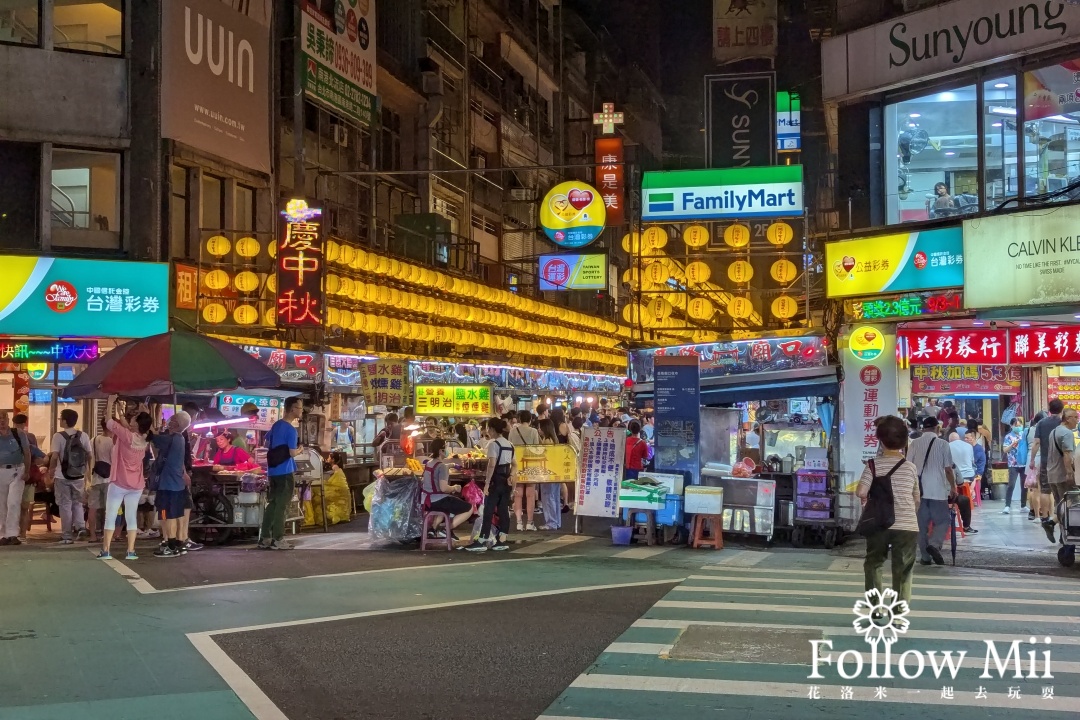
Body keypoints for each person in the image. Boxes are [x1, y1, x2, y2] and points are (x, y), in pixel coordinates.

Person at [858, 416, 920, 604]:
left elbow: (861, 491)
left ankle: (876, 606)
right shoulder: (910, 468)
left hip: (878, 523)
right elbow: (916, 498)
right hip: (907, 525)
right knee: (903, 568)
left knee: (874, 562)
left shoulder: (873, 465)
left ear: (880, 440)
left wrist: (867, 498)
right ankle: (899, 608)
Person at [98, 397, 153, 560]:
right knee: (130, 516)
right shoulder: (145, 438)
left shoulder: (126, 436)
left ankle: (106, 550)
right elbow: (134, 424)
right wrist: (145, 411)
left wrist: (109, 402)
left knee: (111, 514)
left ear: (136, 424)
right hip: (136, 484)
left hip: (119, 482)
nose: (132, 419)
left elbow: (108, 421)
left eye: (134, 418)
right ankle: (130, 551)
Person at [259, 397, 304, 550]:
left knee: (272, 504)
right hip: (285, 471)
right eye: (299, 408)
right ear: (292, 409)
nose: (301, 410)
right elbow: (292, 453)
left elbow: (266, 443)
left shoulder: (276, 425)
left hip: (272, 471)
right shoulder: (291, 430)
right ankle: (278, 539)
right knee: (282, 505)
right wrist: (300, 450)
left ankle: (265, 538)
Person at [910, 417, 956, 566]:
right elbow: (948, 469)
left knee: (921, 526)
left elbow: (908, 467)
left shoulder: (914, 443)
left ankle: (925, 557)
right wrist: (953, 487)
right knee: (943, 520)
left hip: (918, 492)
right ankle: (934, 544)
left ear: (923, 429)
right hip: (937, 491)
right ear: (937, 428)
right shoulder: (943, 444)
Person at [465, 418, 515, 552]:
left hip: (495, 481)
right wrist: (511, 475)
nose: (487, 431)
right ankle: (502, 540)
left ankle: (482, 540)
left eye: (488, 428)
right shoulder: (510, 444)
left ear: (492, 429)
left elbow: (492, 464)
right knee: (503, 511)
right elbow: (514, 464)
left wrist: (487, 483)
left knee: (488, 510)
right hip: (506, 482)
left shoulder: (494, 445)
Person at [151, 411, 191, 557]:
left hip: (169, 487)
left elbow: (153, 438)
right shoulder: (178, 439)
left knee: (169, 515)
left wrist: (146, 418)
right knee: (165, 514)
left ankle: (172, 545)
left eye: (172, 419)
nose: (169, 421)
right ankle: (174, 542)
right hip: (171, 486)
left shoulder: (173, 439)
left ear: (177, 424)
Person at [49, 409, 92, 544]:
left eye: (61, 418)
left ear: (65, 421)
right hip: (78, 475)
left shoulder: (58, 436)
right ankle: (80, 528)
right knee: (77, 503)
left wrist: (51, 470)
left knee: (65, 505)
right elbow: (89, 455)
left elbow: (55, 456)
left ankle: (67, 535)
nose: (60, 420)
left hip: (62, 476)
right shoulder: (83, 435)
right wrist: (87, 471)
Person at [419, 438, 472, 539]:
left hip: (426, 500)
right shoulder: (442, 466)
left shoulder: (429, 463)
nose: (447, 450)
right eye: (445, 448)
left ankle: (433, 529)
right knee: (469, 508)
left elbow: (438, 467)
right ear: (440, 451)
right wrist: (454, 488)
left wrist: (451, 465)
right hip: (437, 501)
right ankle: (447, 529)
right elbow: (444, 488)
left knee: (449, 502)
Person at [1029, 399, 1064, 541]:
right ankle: (1059, 520)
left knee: (1045, 490)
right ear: (1062, 409)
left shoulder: (1041, 423)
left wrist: (1032, 460)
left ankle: (1045, 518)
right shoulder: (1064, 423)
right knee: (1062, 493)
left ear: (1049, 409)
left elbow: (1036, 443)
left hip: (1045, 461)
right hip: (1062, 463)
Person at [1044, 407, 1078, 543]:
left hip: (1052, 474)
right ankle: (1051, 524)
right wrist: (1070, 473)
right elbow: (1067, 455)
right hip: (1063, 475)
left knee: (1061, 505)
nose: (1077, 420)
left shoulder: (1054, 431)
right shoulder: (1067, 433)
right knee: (1071, 506)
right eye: (1075, 417)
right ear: (1068, 419)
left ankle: (1062, 536)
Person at [0, 410, 32, 546]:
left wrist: (27, 470)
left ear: (8, 419)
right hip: (1, 470)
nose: (1, 421)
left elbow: (27, 452)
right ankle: (3, 534)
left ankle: (12, 533)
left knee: (13, 502)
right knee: (1, 504)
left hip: (18, 470)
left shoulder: (18, 434)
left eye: (4, 418)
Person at [13, 414, 44, 541]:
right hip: (29, 477)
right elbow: (40, 457)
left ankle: (12, 533)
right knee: (24, 508)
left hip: (14, 475)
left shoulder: (9, 435)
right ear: (25, 423)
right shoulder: (30, 436)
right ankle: (23, 534)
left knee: (12, 506)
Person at [509, 409, 540, 531]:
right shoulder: (533, 431)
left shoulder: (512, 431)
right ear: (530, 419)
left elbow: (510, 447)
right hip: (530, 465)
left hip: (516, 464)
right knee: (530, 494)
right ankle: (530, 522)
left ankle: (519, 522)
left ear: (520, 419)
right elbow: (537, 448)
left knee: (518, 494)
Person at [87, 417, 114, 543]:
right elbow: (114, 461)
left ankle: (92, 535)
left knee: (92, 508)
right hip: (109, 478)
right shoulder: (111, 442)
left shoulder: (93, 440)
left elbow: (90, 458)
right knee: (109, 508)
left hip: (95, 478)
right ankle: (106, 534)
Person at [947, 431, 977, 533]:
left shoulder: (947, 448)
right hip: (968, 475)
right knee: (964, 500)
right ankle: (966, 526)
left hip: (935, 496)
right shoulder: (968, 446)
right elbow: (959, 482)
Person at [536, 418, 562, 531]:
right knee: (554, 497)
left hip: (547, 473)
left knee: (548, 497)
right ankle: (556, 522)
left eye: (539, 427)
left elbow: (543, 457)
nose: (538, 429)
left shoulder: (547, 441)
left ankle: (551, 522)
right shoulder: (554, 439)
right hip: (555, 472)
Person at [1002, 416, 1027, 514]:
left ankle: (1023, 505)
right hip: (1013, 463)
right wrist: (1012, 445)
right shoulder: (1008, 436)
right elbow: (1004, 450)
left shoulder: (1024, 434)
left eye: (1020, 425)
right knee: (1011, 485)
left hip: (1023, 463)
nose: (1018, 427)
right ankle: (1007, 505)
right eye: (1016, 425)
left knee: (1024, 485)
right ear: (1012, 426)